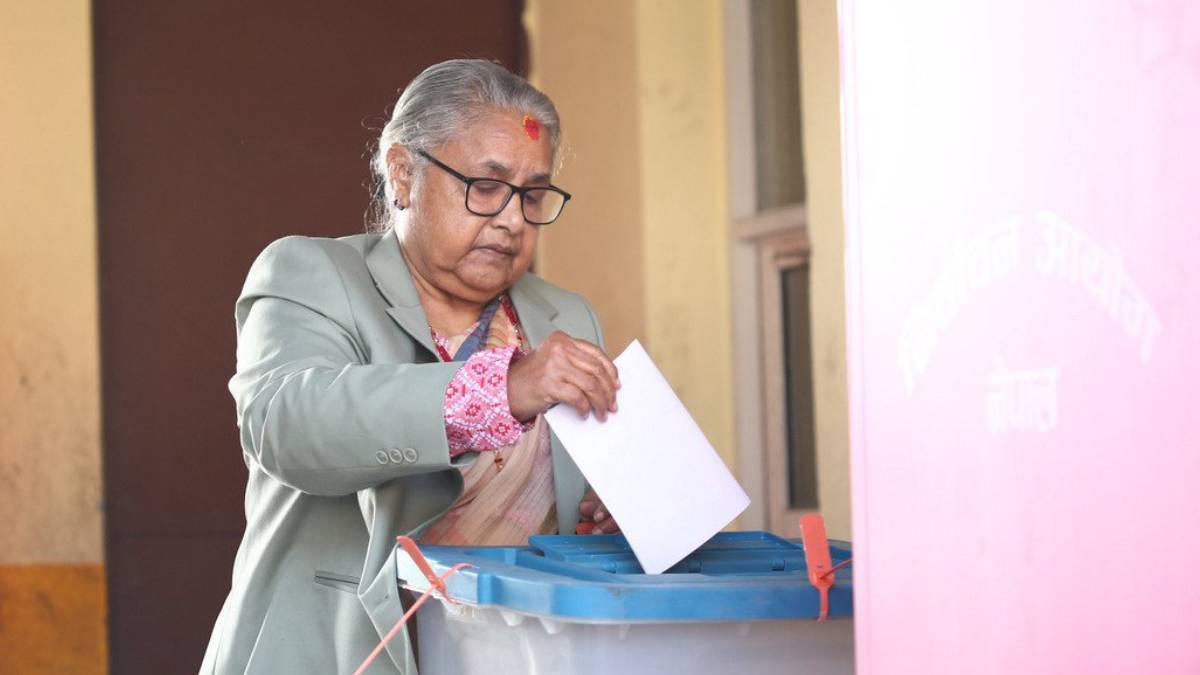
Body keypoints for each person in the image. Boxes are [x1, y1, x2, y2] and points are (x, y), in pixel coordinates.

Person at [201, 59, 621, 674]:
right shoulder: (313, 277)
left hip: (511, 656)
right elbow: (286, 425)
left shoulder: (564, 317)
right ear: (403, 174)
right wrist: (501, 389)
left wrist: (608, 518)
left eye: (532, 195)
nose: (511, 219)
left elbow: (571, 505)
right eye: (485, 186)